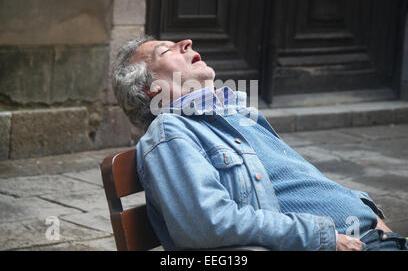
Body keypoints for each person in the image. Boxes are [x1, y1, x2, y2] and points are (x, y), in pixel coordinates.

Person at [112, 36, 407, 251]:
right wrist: (323, 237)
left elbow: (300, 180)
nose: (186, 42)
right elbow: (209, 225)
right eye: (167, 50)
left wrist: (368, 210)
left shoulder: (237, 115)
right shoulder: (171, 130)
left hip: (375, 235)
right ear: (153, 89)